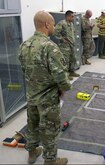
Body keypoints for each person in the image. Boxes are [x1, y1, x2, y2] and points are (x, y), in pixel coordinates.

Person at [18, 11, 71, 164]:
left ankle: (32, 153)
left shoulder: (24, 45)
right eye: (53, 23)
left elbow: (24, 71)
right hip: (48, 99)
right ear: (47, 24)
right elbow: (61, 75)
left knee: (32, 125)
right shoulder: (50, 47)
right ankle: (50, 160)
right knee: (50, 130)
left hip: (32, 96)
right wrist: (64, 88)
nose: (54, 26)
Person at [54, 10, 79, 80]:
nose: (73, 18)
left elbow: (72, 32)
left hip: (71, 45)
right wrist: (62, 39)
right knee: (65, 61)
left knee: (73, 59)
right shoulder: (62, 23)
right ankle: (66, 75)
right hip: (64, 46)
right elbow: (55, 32)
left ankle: (71, 71)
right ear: (68, 16)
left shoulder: (71, 24)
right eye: (72, 17)